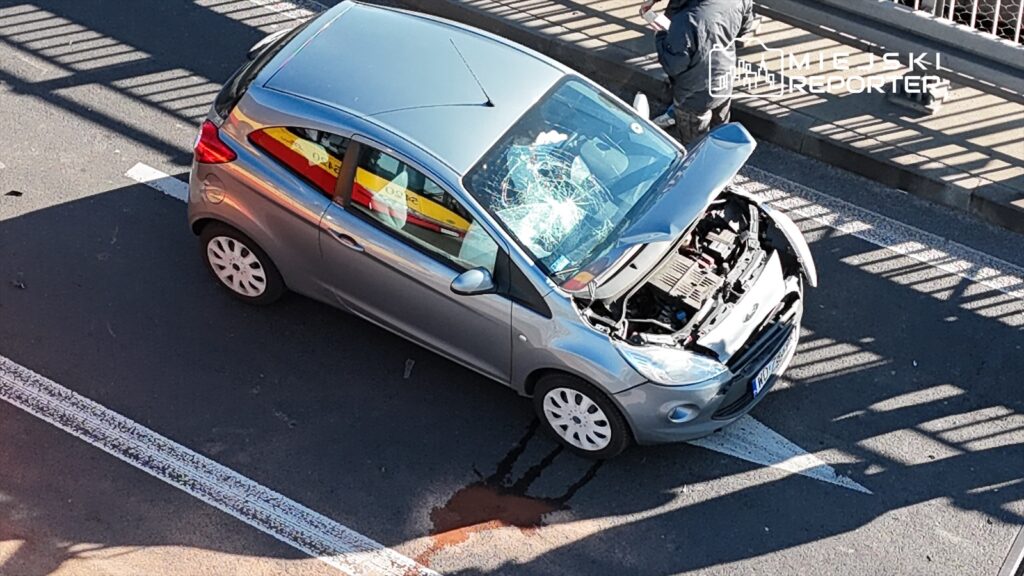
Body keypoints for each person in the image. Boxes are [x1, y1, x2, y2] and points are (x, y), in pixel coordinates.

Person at [641, 0, 755, 145]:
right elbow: (743, 29)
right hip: (724, 76)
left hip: (693, 92)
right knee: (721, 131)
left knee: (695, 146)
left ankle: (700, 161)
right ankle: (724, 158)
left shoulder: (685, 20)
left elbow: (673, 65)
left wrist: (661, 35)